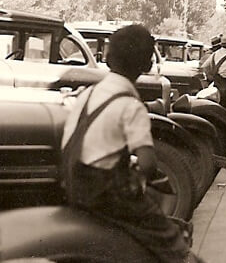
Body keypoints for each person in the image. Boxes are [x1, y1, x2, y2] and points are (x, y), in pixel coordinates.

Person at [60, 24, 200, 263]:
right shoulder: (130, 104)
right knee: (169, 240)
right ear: (147, 65)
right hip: (105, 194)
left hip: (73, 186)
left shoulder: (88, 94)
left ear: (106, 58)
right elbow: (147, 163)